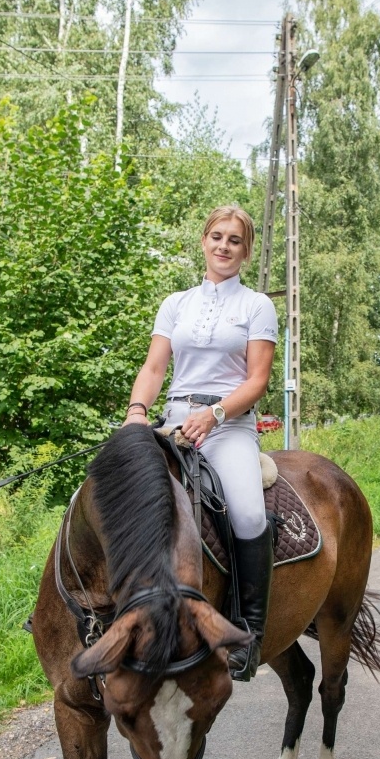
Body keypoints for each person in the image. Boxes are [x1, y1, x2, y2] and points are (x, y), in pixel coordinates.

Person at [124, 205, 278, 680]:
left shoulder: (257, 305)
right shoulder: (177, 303)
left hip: (228, 425)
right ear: (203, 241)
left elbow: (258, 380)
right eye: (216, 237)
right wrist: (136, 414)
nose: (224, 246)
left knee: (250, 512)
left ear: (245, 250)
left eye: (234, 240)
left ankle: (248, 635)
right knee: (100, 494)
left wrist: (214, 416)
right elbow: (153, 369)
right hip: (172, 420)